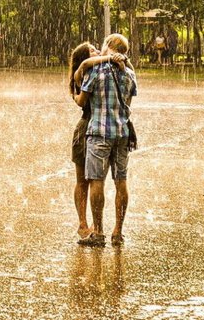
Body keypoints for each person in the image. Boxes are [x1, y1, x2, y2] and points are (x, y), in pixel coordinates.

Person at [75, 33, 138, 248]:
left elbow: (82, 100)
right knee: (121, 182)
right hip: (122, 134)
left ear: (109, 45)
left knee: (97, 181)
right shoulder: (129, 73)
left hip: (99, 133)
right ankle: (118, 232)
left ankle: (98, 231)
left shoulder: (95, 70)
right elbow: (128, 103)